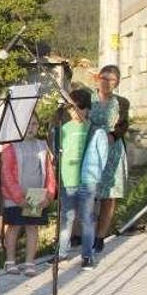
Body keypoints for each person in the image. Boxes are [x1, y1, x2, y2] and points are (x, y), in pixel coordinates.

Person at [55, 89, 109, 270]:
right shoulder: (63, 129)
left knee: (87, 219)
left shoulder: (94, 130)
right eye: (71, 109)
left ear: (87, 109)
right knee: (66, 218)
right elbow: (57, 154)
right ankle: (62, 254)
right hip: (68, 180)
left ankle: (87, 256)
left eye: (79, 108)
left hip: (87, 182)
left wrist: (95, 177)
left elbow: (102, 156)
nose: (74, 112)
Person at [0, 112, 56, 277]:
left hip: (36, 194)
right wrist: (18, 197)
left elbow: (49, 172)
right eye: (27, 124)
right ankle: (10, 261)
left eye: (34, 124)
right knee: (14, 226)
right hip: (16, 195)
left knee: (32, 227)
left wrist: (49, 195)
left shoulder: (42, 145)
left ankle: (29, 262)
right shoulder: (11, 146)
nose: (31, 128)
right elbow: (7, 174)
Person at [90, 64, 130, 253]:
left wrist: (112, 136)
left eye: (111, 79)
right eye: (103, 78)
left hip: (112, 150)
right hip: (91, 149)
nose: (106, 82)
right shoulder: (87, 98)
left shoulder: (121, 102)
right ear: (98, 78)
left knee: (108, 195)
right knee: (88, 193)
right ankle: (80, 234)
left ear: (117, 83)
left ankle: (100, 236)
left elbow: (123, 125)